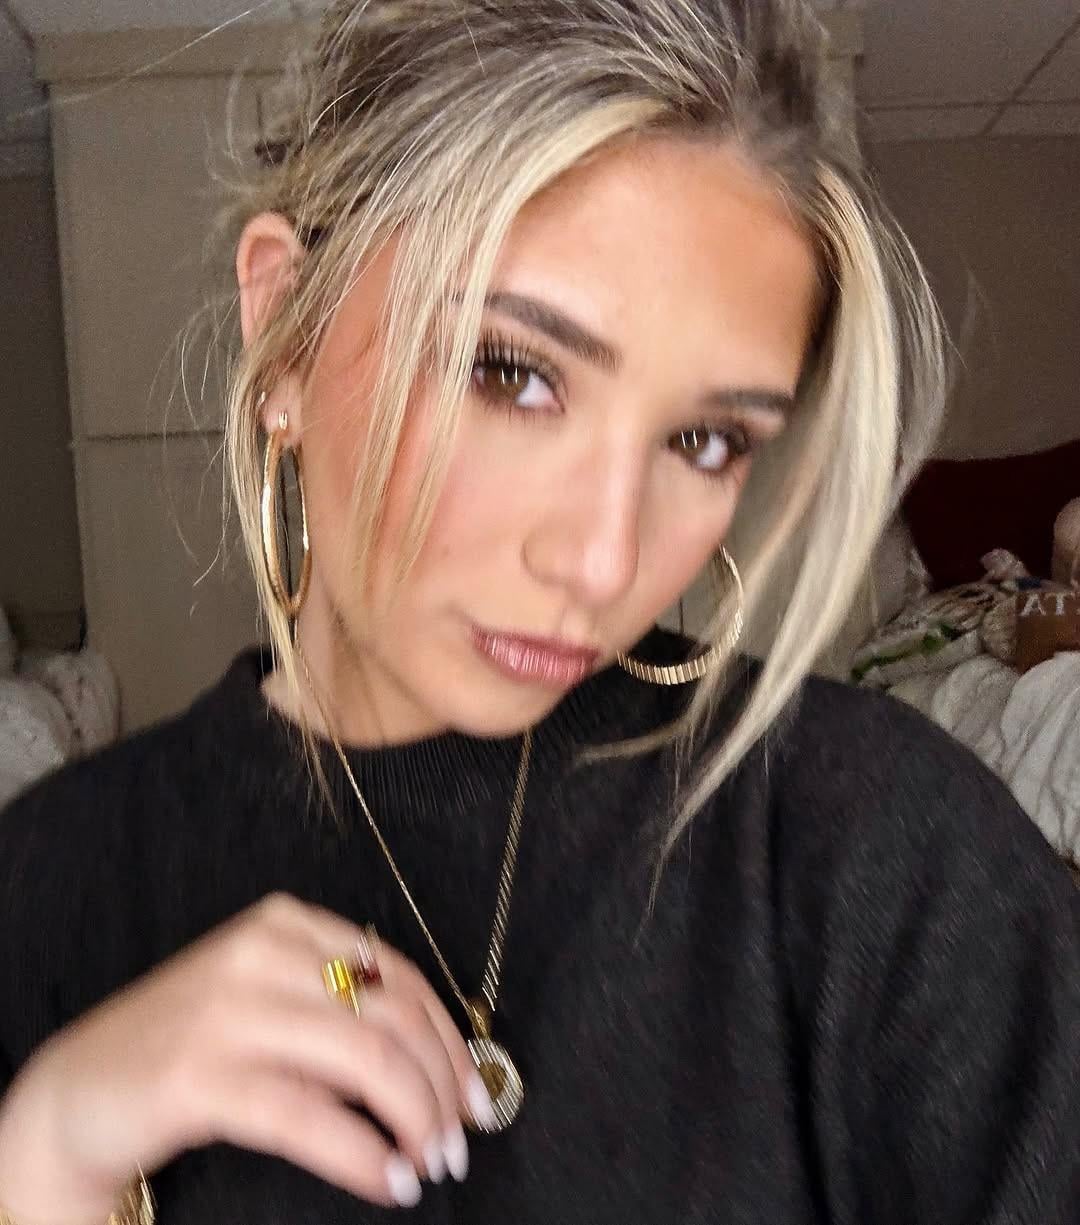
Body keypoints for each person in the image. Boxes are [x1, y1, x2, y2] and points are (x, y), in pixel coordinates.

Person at [1, 1, 1077, 1222]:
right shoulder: (55, 885)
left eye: (706, 440)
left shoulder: (881, 847)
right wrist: (50, 1157)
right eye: (510, 373)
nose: (603, 558)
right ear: (284, 332)